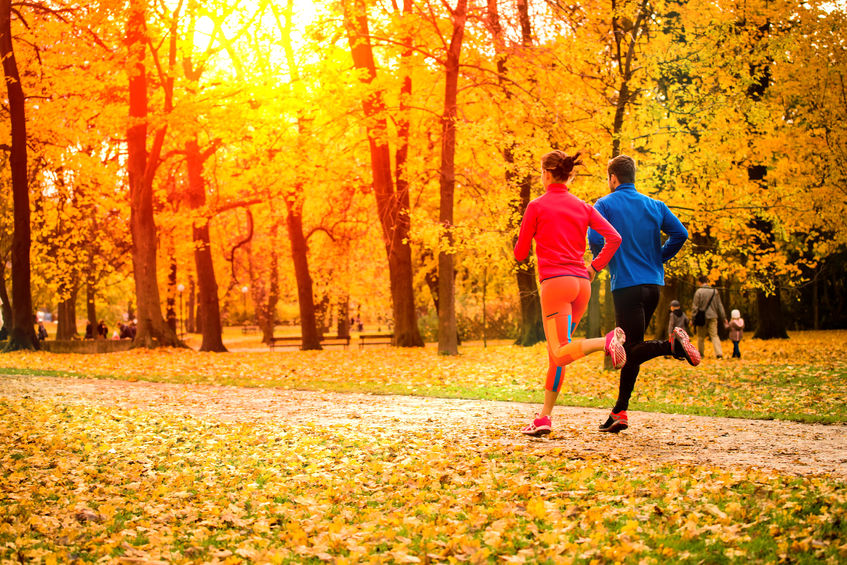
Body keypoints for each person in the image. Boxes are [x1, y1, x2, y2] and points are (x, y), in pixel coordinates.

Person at [514, 149, 625, 437]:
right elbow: (614, 238)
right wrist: (595, 266)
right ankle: (544, 418)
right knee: (558, 354)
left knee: (559, 352)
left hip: (556, 285)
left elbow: (520, 253)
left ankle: (607, 341)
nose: (541, 176)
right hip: (581, 285)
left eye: (541, 172)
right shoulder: (583, 206)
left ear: (548, 174)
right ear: (568, 174)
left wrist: (528, 233)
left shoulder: (536, 206)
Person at [588, 154, 701, 434]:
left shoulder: (604, 204)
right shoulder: (655, 205)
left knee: (628, 349)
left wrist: (604, 260)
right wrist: (658, 258)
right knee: (633, 349)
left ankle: (672, 347)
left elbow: (595, 237)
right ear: (633, 176)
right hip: (653, 286)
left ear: (613, 178)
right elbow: (680, 234)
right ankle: (619, 412)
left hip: (626, 286)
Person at [691, 275, 726, 359]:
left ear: (699, 282)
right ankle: (719, 353)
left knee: (701, 336)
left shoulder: (699, 292)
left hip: (701, 318)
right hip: (713, 316)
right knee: (714, 335)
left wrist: (693, 318)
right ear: (707, 282)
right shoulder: (715, 291)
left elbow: (695, 307)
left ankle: (701, 354)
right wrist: (724, 317)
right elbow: (719, 305)